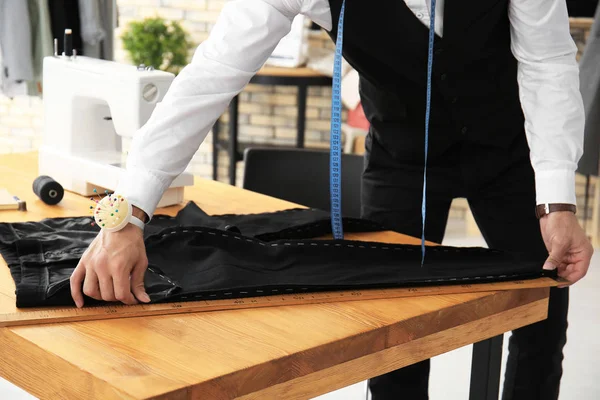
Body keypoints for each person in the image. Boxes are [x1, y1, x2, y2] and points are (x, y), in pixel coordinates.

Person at [70, 0, 594, 399]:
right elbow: (210, 76)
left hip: (511, 149)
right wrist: (128, 214)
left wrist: (556, 201)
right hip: (402, 154)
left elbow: (546, 59)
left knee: (544, 309)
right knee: (394, 331)